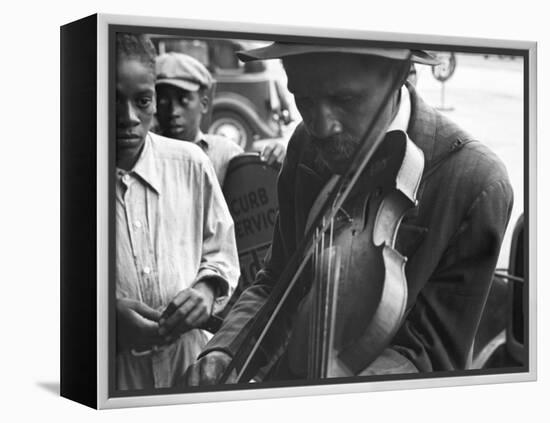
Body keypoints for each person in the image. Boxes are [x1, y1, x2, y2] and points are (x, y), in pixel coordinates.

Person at [184, 42, 514, 384]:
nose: (320, 126)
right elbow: (278, 279)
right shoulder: (304, 144)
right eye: (304, 99)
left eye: (345, 101)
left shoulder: (475, 182)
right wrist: (223, 351)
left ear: (399, 76)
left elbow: (432, 358)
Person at [115, 33, 239, 390]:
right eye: (112, 100)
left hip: (190, 369)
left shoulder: (191, 163)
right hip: (114, 377)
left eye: (142, 101)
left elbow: (222, 254)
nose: (128, 118)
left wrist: (205, 291)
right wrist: (106, 320)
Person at [154, 52, 286, 185]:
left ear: (204, 104)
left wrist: (275, 162)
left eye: (183, 100)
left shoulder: (225, 154)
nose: (173, 111)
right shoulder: (147, 156)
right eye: (163, 101)